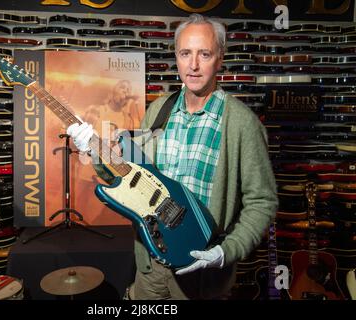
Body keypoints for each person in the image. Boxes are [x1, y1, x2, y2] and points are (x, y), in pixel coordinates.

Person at [67, 13, 278, 299]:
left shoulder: (242, 124)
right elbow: (129, 174)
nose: (193, 65)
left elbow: (262, 202)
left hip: (202, 277)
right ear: (176, 57)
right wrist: (95, 151)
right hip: (150, 268)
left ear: (220, 58)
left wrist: (225, 252)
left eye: (204, 54)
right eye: (185, 53)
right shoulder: (158, 111)